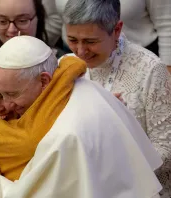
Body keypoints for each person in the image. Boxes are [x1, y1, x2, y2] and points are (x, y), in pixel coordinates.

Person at [0, 35, 163, 198]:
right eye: (0, 94)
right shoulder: (87, 88)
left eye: (12, 94)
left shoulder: (62, 135)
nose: (6, 104)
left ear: (44, 80)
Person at [61, 0, 171, 196]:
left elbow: (166, 151)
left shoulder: (150, 70)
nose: (80, 51)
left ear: (117, 29)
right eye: (72, 39)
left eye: (90, 41)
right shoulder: (65, 66)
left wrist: (121, 126)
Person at [51, 0, 171, 70]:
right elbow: (52, 17)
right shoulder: (74, 54)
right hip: (72, 56)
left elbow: (167, 24)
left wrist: (167, 72)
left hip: (136, 63)